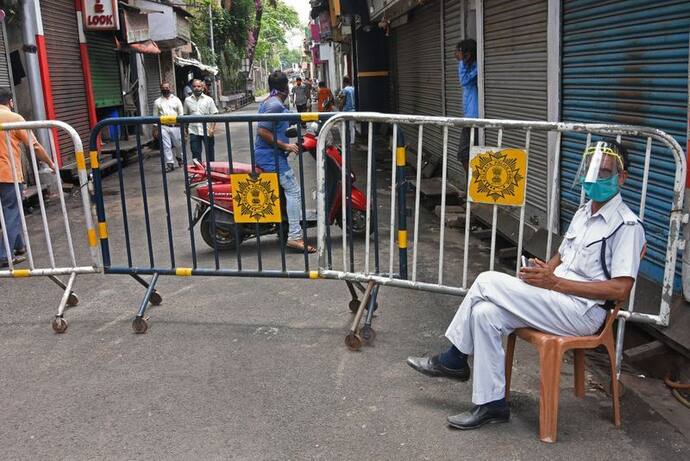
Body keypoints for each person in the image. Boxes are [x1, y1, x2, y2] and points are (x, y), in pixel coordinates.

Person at [407, 140, 645, 430]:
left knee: (485, 281)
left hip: (584, 313)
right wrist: (548, 269)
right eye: (591, 170)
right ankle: (492, 404)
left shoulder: (626, 226)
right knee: (485, 314)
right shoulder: (584, 212)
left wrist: (555, 282)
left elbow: (620, 290)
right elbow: (565, 253)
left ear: (622, 178)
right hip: (558, 298)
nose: (595, 178)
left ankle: (454, 358)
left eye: (605, 172)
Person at [255, 70, 315, 254]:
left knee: (288, 191)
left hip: (271, 156)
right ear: (286, 88)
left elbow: (288, 117)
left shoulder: (272, 103)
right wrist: (285, 146)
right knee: (294, 191)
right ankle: (295, 237)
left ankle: (286, 227)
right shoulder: (274, 105)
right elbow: (262, 132)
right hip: (270, 157)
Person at [0, 87, 55, 268]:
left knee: (9, 212)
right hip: (8, 174)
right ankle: (3, 254)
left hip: (7, 174)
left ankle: (19, 245)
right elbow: (35, 146)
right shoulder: (14, 118)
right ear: (11, 102)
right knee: (11, 212)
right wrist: (50, 163)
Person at [455, 38, 478, 178]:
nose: (457, 55)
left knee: (464, 154)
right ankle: (473, 187)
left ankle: (475, 187)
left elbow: (464, 80)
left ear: (468, 54)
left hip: (475, 118)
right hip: (469, 117)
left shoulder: (476, 67)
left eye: (459, 52)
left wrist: (462, 62)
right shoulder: (469, 67)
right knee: (465, 155)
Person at [184, 79, 219, 162]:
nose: (197, 88)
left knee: (210, 152)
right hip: (193, 130)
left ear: (202, 88)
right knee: (195, 153)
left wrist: (212, 129)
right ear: (192, 88)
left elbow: (214, 114)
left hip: (207, 130)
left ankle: (211, 171)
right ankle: (199, 172)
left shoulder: (209, 100)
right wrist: (185, 130)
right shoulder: (187, 100)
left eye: (199, 86)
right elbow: (185, 115)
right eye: (194, 86)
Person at [153, 82, 184, 172]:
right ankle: (170, 163)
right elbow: (155, 116)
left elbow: (181, 114)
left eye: (167, 87)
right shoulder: (157, 102)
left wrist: (183, 127)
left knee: (178, 144)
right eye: (163, 88)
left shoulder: (176, 100)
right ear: (161, 89)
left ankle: (179, 158)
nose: (165, 89)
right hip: (163, 127)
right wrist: (155, 129)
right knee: (166, 145)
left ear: (170, 88)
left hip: (176, 126)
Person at [340, 76, 356, 144]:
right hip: (353, 109)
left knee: (342, 125)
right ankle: (352, 141)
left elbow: (343, 100)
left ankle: (344, 140)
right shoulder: (353, 89)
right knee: (352, 127)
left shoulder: (345, 90)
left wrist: (340, 107)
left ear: (344, 82)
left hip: (346, 110)